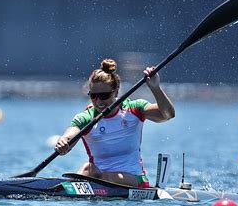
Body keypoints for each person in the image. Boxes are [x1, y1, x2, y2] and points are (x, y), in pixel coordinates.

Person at [55, 58, 175, 187]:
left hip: (134, 179)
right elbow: (71, 134)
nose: (99, 102)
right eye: (93, 96)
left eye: (104, 96)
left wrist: (155, 88)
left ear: (116, 91)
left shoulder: (134, 109)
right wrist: (64, 142)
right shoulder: (87, 117)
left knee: (108, 176)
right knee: (86, 169)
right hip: (97, 177)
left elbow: (167, 114)